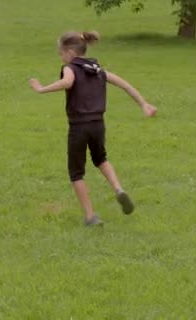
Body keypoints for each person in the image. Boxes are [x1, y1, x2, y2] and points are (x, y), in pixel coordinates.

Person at [28, 31, 157, 226]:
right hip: (98, 124)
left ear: (70, 52)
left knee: (76, 173)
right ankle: (118, 189)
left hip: (79, 127)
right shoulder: (98, 69)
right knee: (101, 159)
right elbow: (125, 85)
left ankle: (90, 217)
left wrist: (41, 89)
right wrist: (143, 104)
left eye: (60, 52)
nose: (60, 56)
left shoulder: (69, 68)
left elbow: (68, 82)